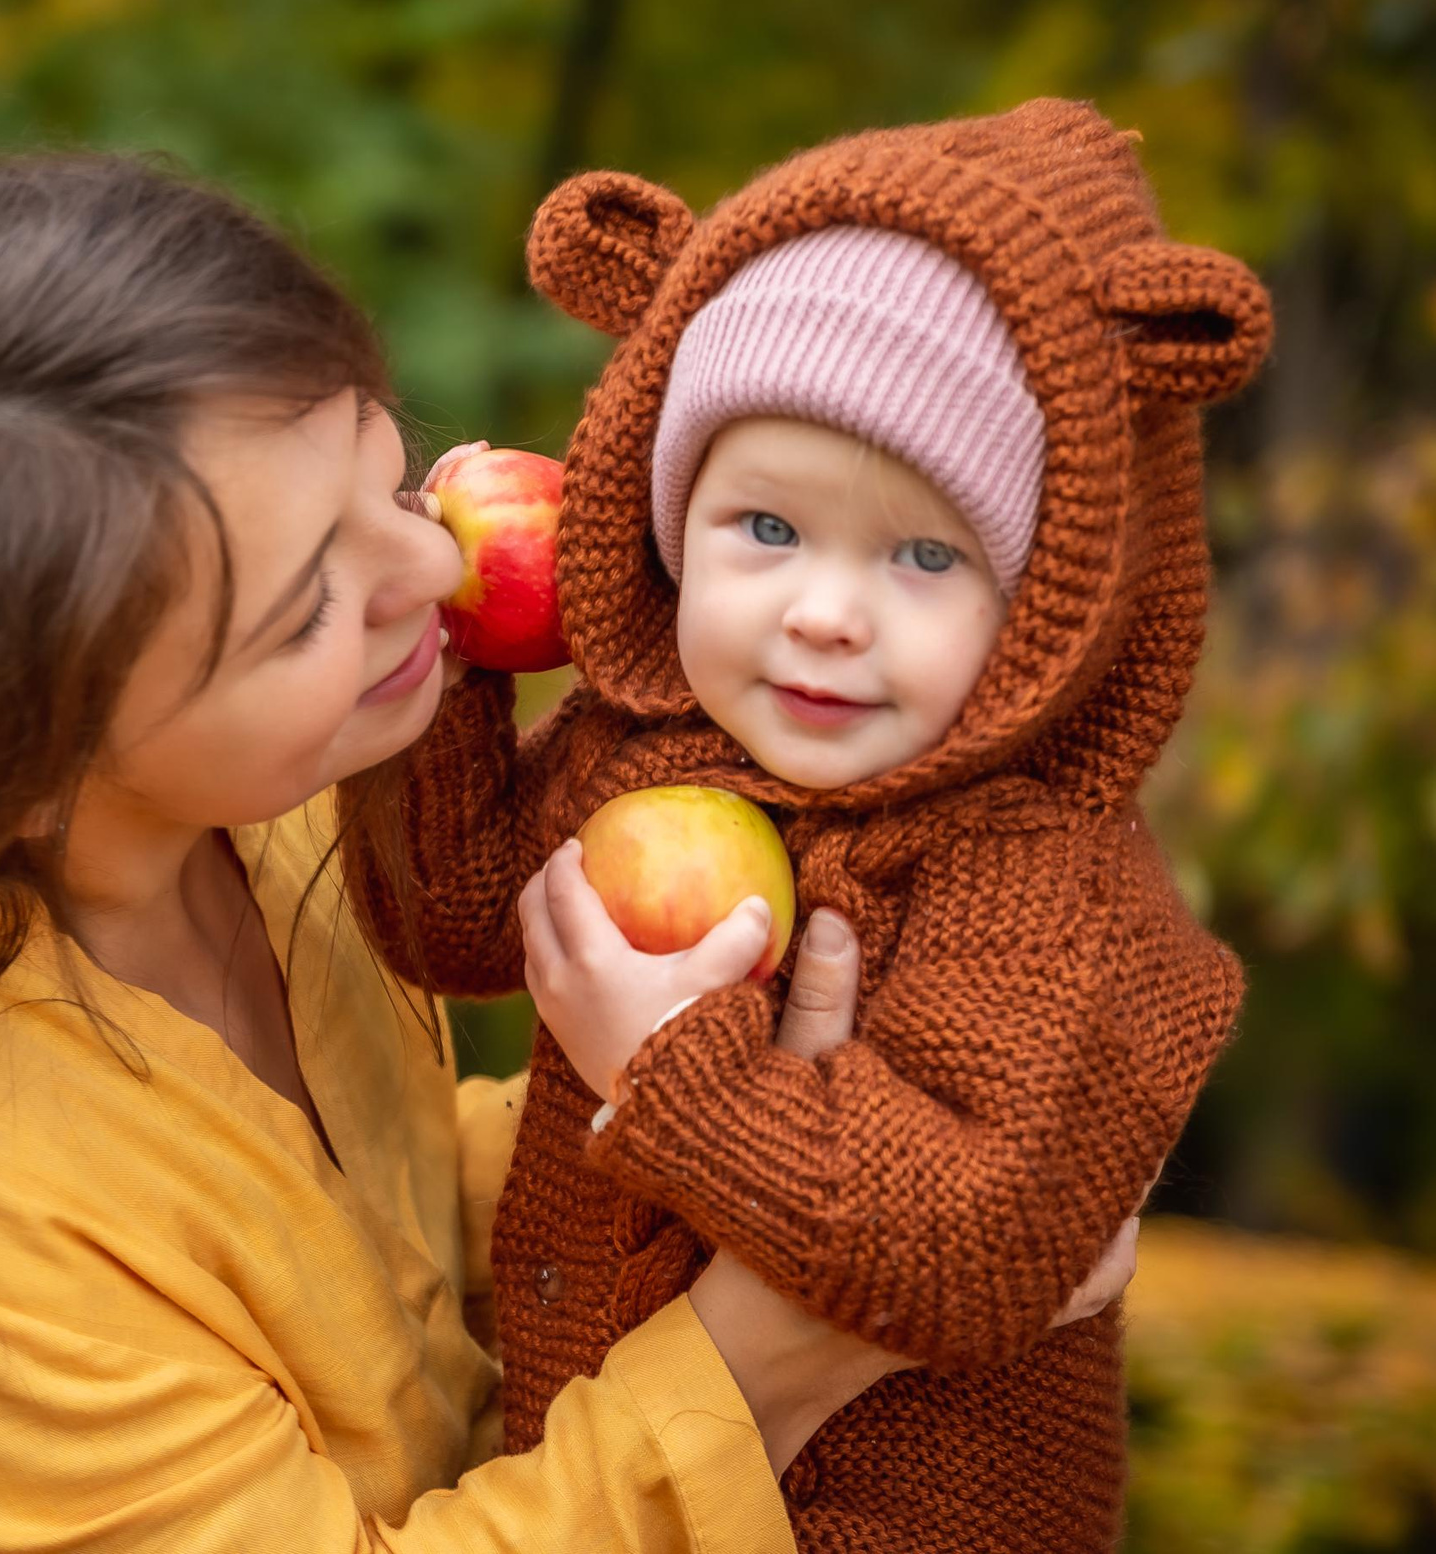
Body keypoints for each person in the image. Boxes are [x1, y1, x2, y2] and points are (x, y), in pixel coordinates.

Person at [0, 149, 1134, 1554]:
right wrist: (778, 1349)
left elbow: (349, 1230)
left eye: (387, 473)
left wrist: (843, 1137)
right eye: (310, 609)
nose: (435, 570)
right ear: (4, 762)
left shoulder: (279, 814)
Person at [343, 99, 1274, 1550]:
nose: (826, 613)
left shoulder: (1042, 888)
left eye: (925, 555)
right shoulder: (646, 751)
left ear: (1050, 606)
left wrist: (674, 1066)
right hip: (616, 1495)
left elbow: (974, 1247)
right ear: (671, 522)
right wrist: (457, 663)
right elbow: (454, 922)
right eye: (767, 531)